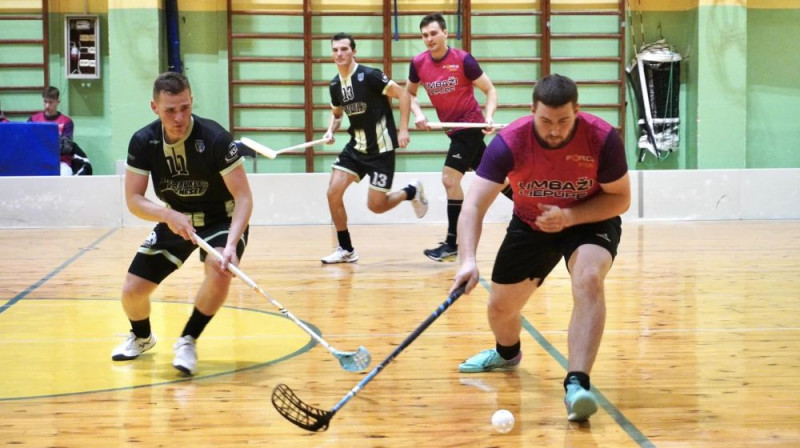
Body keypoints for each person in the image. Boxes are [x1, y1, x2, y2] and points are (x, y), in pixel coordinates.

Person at [451, 74, 630, 422]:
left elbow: (620, 199)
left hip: (589, 219)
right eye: (545, 120)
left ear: (577, 111)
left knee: (589, 278)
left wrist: (569, 216)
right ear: (532, 110)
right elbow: (472, 205)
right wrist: (467, 260)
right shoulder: (509, 143)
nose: (554, 130)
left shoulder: (602, 139)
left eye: (564, 121)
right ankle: (506, 354)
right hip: (531, 224)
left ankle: (577, 384)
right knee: (500, 309)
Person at [110, 71, 253, 376]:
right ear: (154, 107)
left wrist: (230, 246)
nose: (179, 117)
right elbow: (134, 199)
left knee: (219, 268)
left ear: (192, 101)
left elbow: (243, 198)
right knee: (132, 291)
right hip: (175, 217)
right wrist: (167, 216)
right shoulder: (143, 141)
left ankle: (188, 339)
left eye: (185, 107)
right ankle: (142, 337)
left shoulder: (215, 137)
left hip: (221, 218)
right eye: (170, 110)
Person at [402, 13, 510, 262]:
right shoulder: (418, 63)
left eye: (433, 33)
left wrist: (489, 116)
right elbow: (409, 94)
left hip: (470, 126)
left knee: (450, 180)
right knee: (496, 178)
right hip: (454, 132)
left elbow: (490, 90)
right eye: (425, 35)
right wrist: (418, 114)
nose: (429, 39)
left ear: (445, 33)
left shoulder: (463, 60)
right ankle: (533, 210)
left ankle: (453, 242)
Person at [321, 32, 428, 264]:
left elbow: (404, 95)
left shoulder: (370, 76)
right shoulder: (334, 85)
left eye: (344, 49)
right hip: (355, 148)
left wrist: (403, 129)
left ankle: (410, 192)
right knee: (333, 192)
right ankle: (346, 249)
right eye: (335, 50)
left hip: (381, 150)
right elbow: (337, 115)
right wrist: (331, 130)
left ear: (354, 51)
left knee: (376, 206)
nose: (339, 54)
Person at [28, 86, 75, 175]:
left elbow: (67, 148)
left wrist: (42, 145)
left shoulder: (67, 122)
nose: (47, 106)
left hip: (60, 163)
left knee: (65, 175)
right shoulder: (33, 120)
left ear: (57, 102)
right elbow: (28, 143)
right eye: (45, 102)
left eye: (50, 102)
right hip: (38, 161)